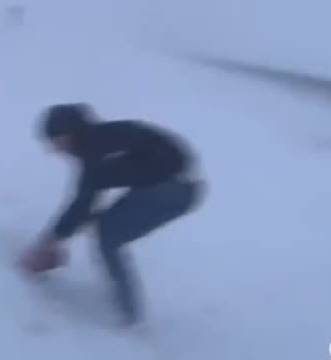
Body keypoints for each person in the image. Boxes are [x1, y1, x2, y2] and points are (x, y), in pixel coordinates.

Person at [19, 103, 204, 325]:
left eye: (55, 142)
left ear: (68, 133)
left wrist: (50, 241)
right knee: (102, 225)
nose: (55, 151)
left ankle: (129, 315)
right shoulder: (100, 141)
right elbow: (86, 203)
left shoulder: (94, 145)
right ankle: (126, 307)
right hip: (179, 186)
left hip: (173, 188)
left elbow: (82, 204)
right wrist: (55, 239)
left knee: (108, 235)